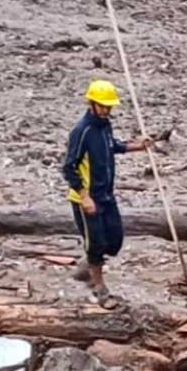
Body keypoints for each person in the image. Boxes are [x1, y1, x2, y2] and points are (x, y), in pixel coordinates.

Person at [62, 79, 152, 308]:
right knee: (96, 243)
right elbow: (69, 167)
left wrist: (137, 146)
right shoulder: (82, 131)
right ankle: (99, 287)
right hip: (87, 197)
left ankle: (87, 265)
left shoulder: (104, 126)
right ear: (92, 104)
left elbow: (112, 146)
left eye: (109, 106)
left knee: (114, 240)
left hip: (106, 194)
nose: (106, 110)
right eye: (103, 106)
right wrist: (84, 196)